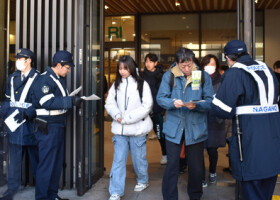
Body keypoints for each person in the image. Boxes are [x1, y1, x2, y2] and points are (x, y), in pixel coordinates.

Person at [212, 40, 280, 200]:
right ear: (248, 53)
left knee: (251, 193)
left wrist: (213, 100)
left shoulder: (234, 73)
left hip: (249, 147)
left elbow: (222, 110)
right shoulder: (268, 70)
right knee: (266, 192)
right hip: (272, 144)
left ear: (228, 58)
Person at [157, 47, 214, 200]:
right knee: (172, 166)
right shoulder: (169, 76)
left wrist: (197, 105)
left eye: (190, 65)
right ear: (177, 63)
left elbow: (210, 101)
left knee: (196, 167)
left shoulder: (201, 76)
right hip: (174, 127)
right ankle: (169, 197)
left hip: (195, 128)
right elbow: (160, 98)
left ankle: (195, 196)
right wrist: (172, 103)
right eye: (183, 66)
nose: (187, 69)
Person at [31, 50, 83, 200]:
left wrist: (70, 99)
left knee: (55, 164)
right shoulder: (44, 80)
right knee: (46, 165)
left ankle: (52, 195)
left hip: (57, 125)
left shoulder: (57, 79)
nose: (68, 71)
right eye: (67, 68)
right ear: (59, 65)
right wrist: (71, 101)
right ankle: (42, 197)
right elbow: (47, 102)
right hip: (48, 127)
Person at [105, 55, 153, 200]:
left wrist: (128, 119)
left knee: (139, 159)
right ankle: (116, 191)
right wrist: (117, 115)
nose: (122, 71)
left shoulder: (142, 84)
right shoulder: (116, 84)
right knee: (118, 160)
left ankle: (143, 180)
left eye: (125, 68)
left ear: (131, 68)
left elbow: (147, 105)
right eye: (120, 68)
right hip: (120, 129)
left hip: (137, 129)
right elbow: (109, 102)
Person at [0, 48, 40, 200]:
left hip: (30, 124)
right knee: (14, 160)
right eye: (17, 58)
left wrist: (28, 113)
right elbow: (8, 100)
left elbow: (40, 103)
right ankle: (11, 189)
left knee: (36, 159)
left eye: (20, 58)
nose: (17, 61)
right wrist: (3, 116)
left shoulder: (38, 77)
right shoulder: (12, 77)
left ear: (28, 60)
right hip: (14, 123)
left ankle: (41, 189)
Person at [200, 54, 226, 187]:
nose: (209, 67)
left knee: (212, 150)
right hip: (200, 117)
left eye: (212, 64)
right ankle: (201, 176)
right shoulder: (197, 78)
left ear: (216, 66)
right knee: (199, 149)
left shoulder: (221, 80)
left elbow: (224, 98)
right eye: (207, 64)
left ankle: (212, 171)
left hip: (215, 118)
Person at [141, 53, 167, 165]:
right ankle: (140, 157)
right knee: (142, 135)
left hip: (156, 110)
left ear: (156, 63)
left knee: (160, 133)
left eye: (151, 62)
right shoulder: (141, 76)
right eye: (146, 61)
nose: (148, 64)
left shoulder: (161, 76)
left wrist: (160, 108)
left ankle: (165, 155)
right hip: (144, 111)